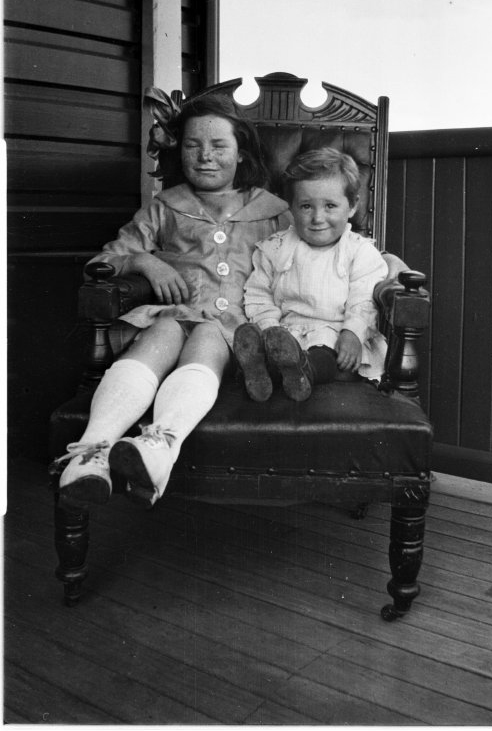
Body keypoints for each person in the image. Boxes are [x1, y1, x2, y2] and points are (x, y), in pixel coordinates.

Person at [54, 92, 291, 508]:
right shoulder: (165, 207)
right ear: (177, 149)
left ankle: (158, 446)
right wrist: (145, 261)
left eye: (219, 146)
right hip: (175, 314)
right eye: (192, 145)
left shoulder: (273, 212)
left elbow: (327, 251)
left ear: (241, 154)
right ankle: (92, 453)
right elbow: (103, 261)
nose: (204, 156)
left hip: (235, 329)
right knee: (162, 330)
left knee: (207, 339)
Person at [233, 147, 389, 403]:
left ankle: (303, 372)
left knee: (326, 354)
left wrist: (353, 332)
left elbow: (364, 298)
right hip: (285, 334)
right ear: (291, 208)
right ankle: (260, 371)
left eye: (330, 206)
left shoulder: (359, 251)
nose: (318, 218)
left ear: (352, 206)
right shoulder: (275, 248)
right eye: (306, 206)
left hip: (338, 336)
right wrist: (270, 331)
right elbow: (259, 295)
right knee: (275, 350)